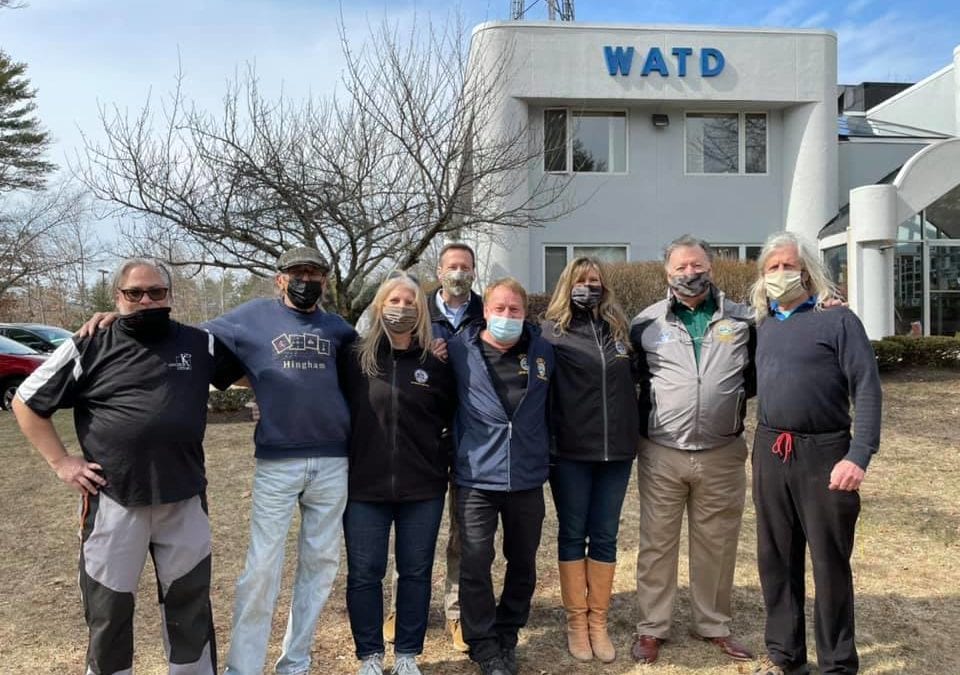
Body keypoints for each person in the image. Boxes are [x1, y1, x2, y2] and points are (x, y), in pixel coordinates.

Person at [12, 259, 241, 675]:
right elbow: (26, 401)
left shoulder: (199, 343)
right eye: (134, 293)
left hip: (184, 496)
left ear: (170, 296)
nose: (146, 300)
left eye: (156, 292)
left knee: (190, 607)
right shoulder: (88, 343)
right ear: (117, 298)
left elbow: (251, 371)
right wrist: (62, 462)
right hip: (114, 498)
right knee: (109, 609)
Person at [748, 232, 882, 675]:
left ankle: (837, 664)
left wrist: (858, 455)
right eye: (772, 267)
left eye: (789, 265)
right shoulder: (762, 325)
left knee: (829, 563)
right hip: (770, 450)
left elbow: (867, 389)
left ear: (807, 270)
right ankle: (786, 656)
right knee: (776, 559)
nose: (781, 274)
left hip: (825, 453)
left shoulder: (839, 322)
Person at [629, 235, 756, 665]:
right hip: (662, 451)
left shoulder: (742, 320)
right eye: (680, 267)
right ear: (666, 273)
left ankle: (713, 624)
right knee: (657, 543)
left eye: (697, 265)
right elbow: (634, 382)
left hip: (722, 452)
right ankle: (652, 627)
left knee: (717, 542)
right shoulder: (645, 323)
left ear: (711, 267)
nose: (690, 273)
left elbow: (753, 378)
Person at [341, 271, 458, 675]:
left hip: (423, 488)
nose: (402, 308)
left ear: (421, 311)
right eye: (394, 301)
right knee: (365, 574)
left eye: (410, 302)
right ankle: (370, 656)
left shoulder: (436, 363)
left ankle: (408, 655)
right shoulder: (354, 358)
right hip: (363, 488)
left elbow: (452, 415)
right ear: (379, 306)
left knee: (415, 572)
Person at [446, 278, 555, 675]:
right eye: (499, 309)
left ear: (525, 313)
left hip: (526, 476)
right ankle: (483, 644)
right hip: (476, 477)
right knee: (475, 561)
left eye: (514, 310)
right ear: (485, 311)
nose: (507, 316)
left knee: (523, 560)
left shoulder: (543, 351)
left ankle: (508, 631)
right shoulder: (459, 350)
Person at [383, 242, 483, 654]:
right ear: (438, 271)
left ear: (475, 272)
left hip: (472, 443)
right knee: (409, 535)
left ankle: (457, 612)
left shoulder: (488, 312)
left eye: (466, 266)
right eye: (452, 266)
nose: (459, 273)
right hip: (418, 441)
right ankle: (399, 609)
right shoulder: (416, 312)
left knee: (464, 536)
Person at [541, 257, 638, 663]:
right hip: (570, 453)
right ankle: (575, 621)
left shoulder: (619, 330)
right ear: (568, 285)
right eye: (581, 280)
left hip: (616, 451)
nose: (588, 286)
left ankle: (598, 620)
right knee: (572, 533)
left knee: (605, 536)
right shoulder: (550, 333)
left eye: (594, 280)